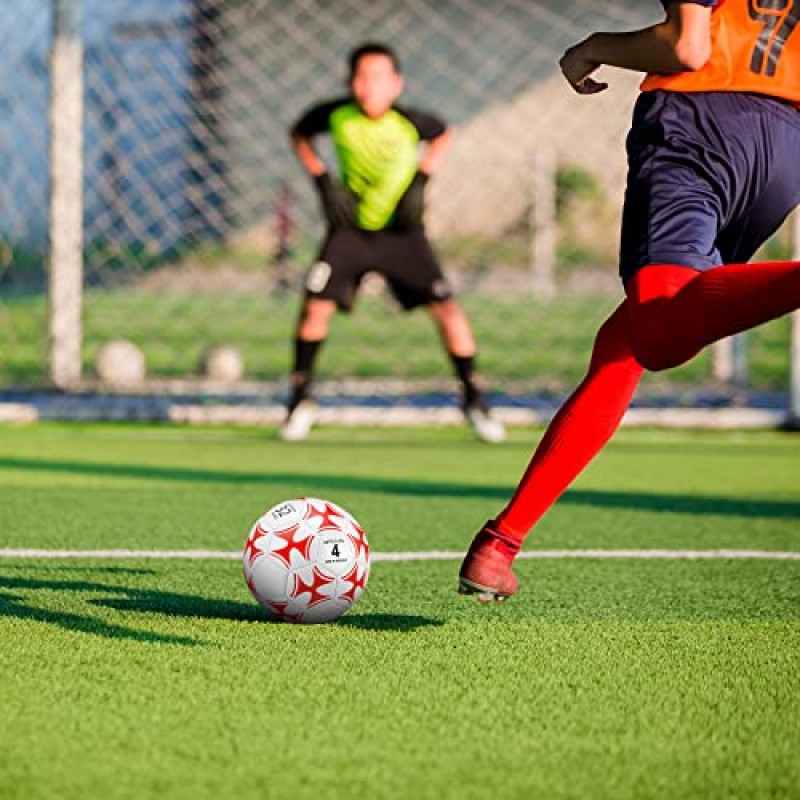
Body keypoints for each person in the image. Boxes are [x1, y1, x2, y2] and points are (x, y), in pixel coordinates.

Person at [458, 0, 800, 601]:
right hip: (785, 149)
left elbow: (686, 46)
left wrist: (592, 48)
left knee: (659, 331)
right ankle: (501, 543)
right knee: (623, 346)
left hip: (700, 125)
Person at [280, 42, 505, 444]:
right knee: (314, 308)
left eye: (380, 77)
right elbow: (298, 132)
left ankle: (474, 400)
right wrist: (321, 179)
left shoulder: (412, 122)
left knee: (448, 310)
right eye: (363, 77)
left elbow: (443, 134)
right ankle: (300, 400)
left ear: (396, 84)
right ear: (352, 82)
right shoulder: (335, 115)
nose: (371, 86)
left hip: (402, 233)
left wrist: (422, 179)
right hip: (350, 232)